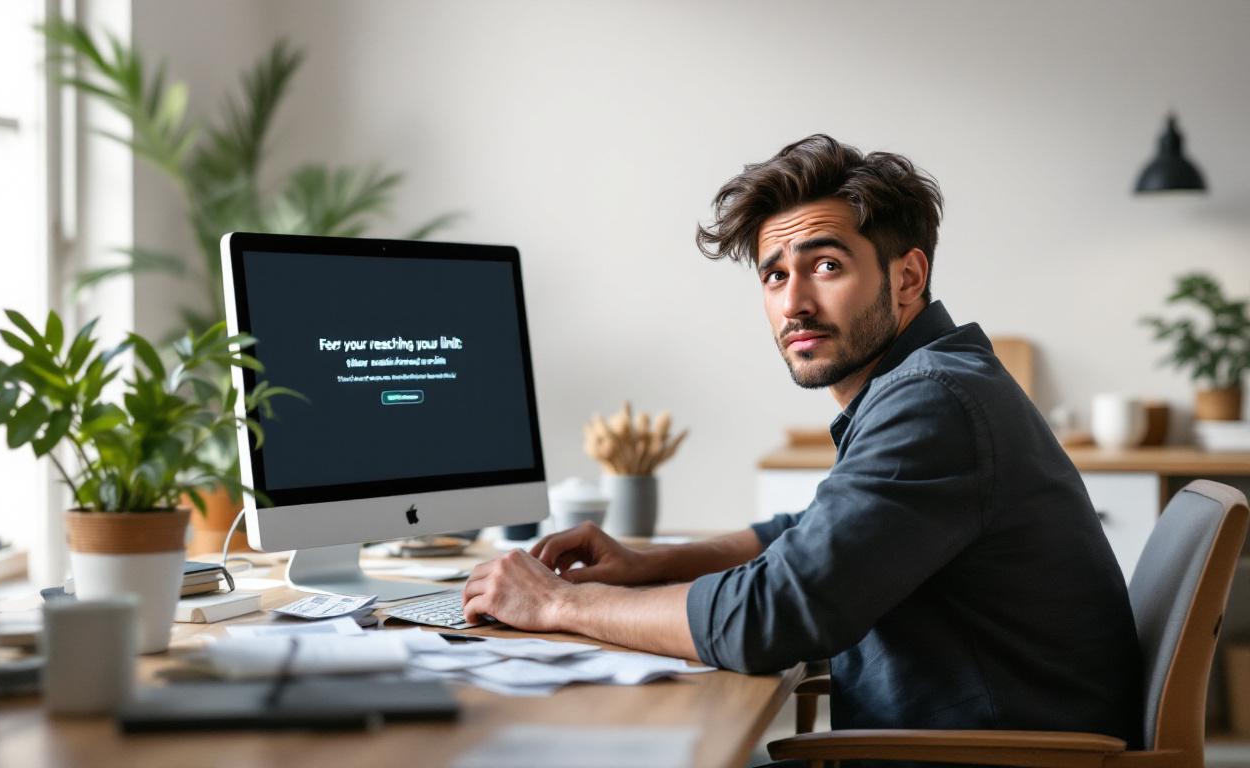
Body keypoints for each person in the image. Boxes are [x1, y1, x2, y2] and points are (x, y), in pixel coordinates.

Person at [461, 134, 1143, 745]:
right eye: (775, 275)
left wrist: (556, 603)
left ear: (907, 278)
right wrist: (647, 564)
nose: (793, 305)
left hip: (997, 757)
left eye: (825, 266)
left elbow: (772, 617)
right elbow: (812, 531)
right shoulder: (928, 382)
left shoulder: (934, 402)